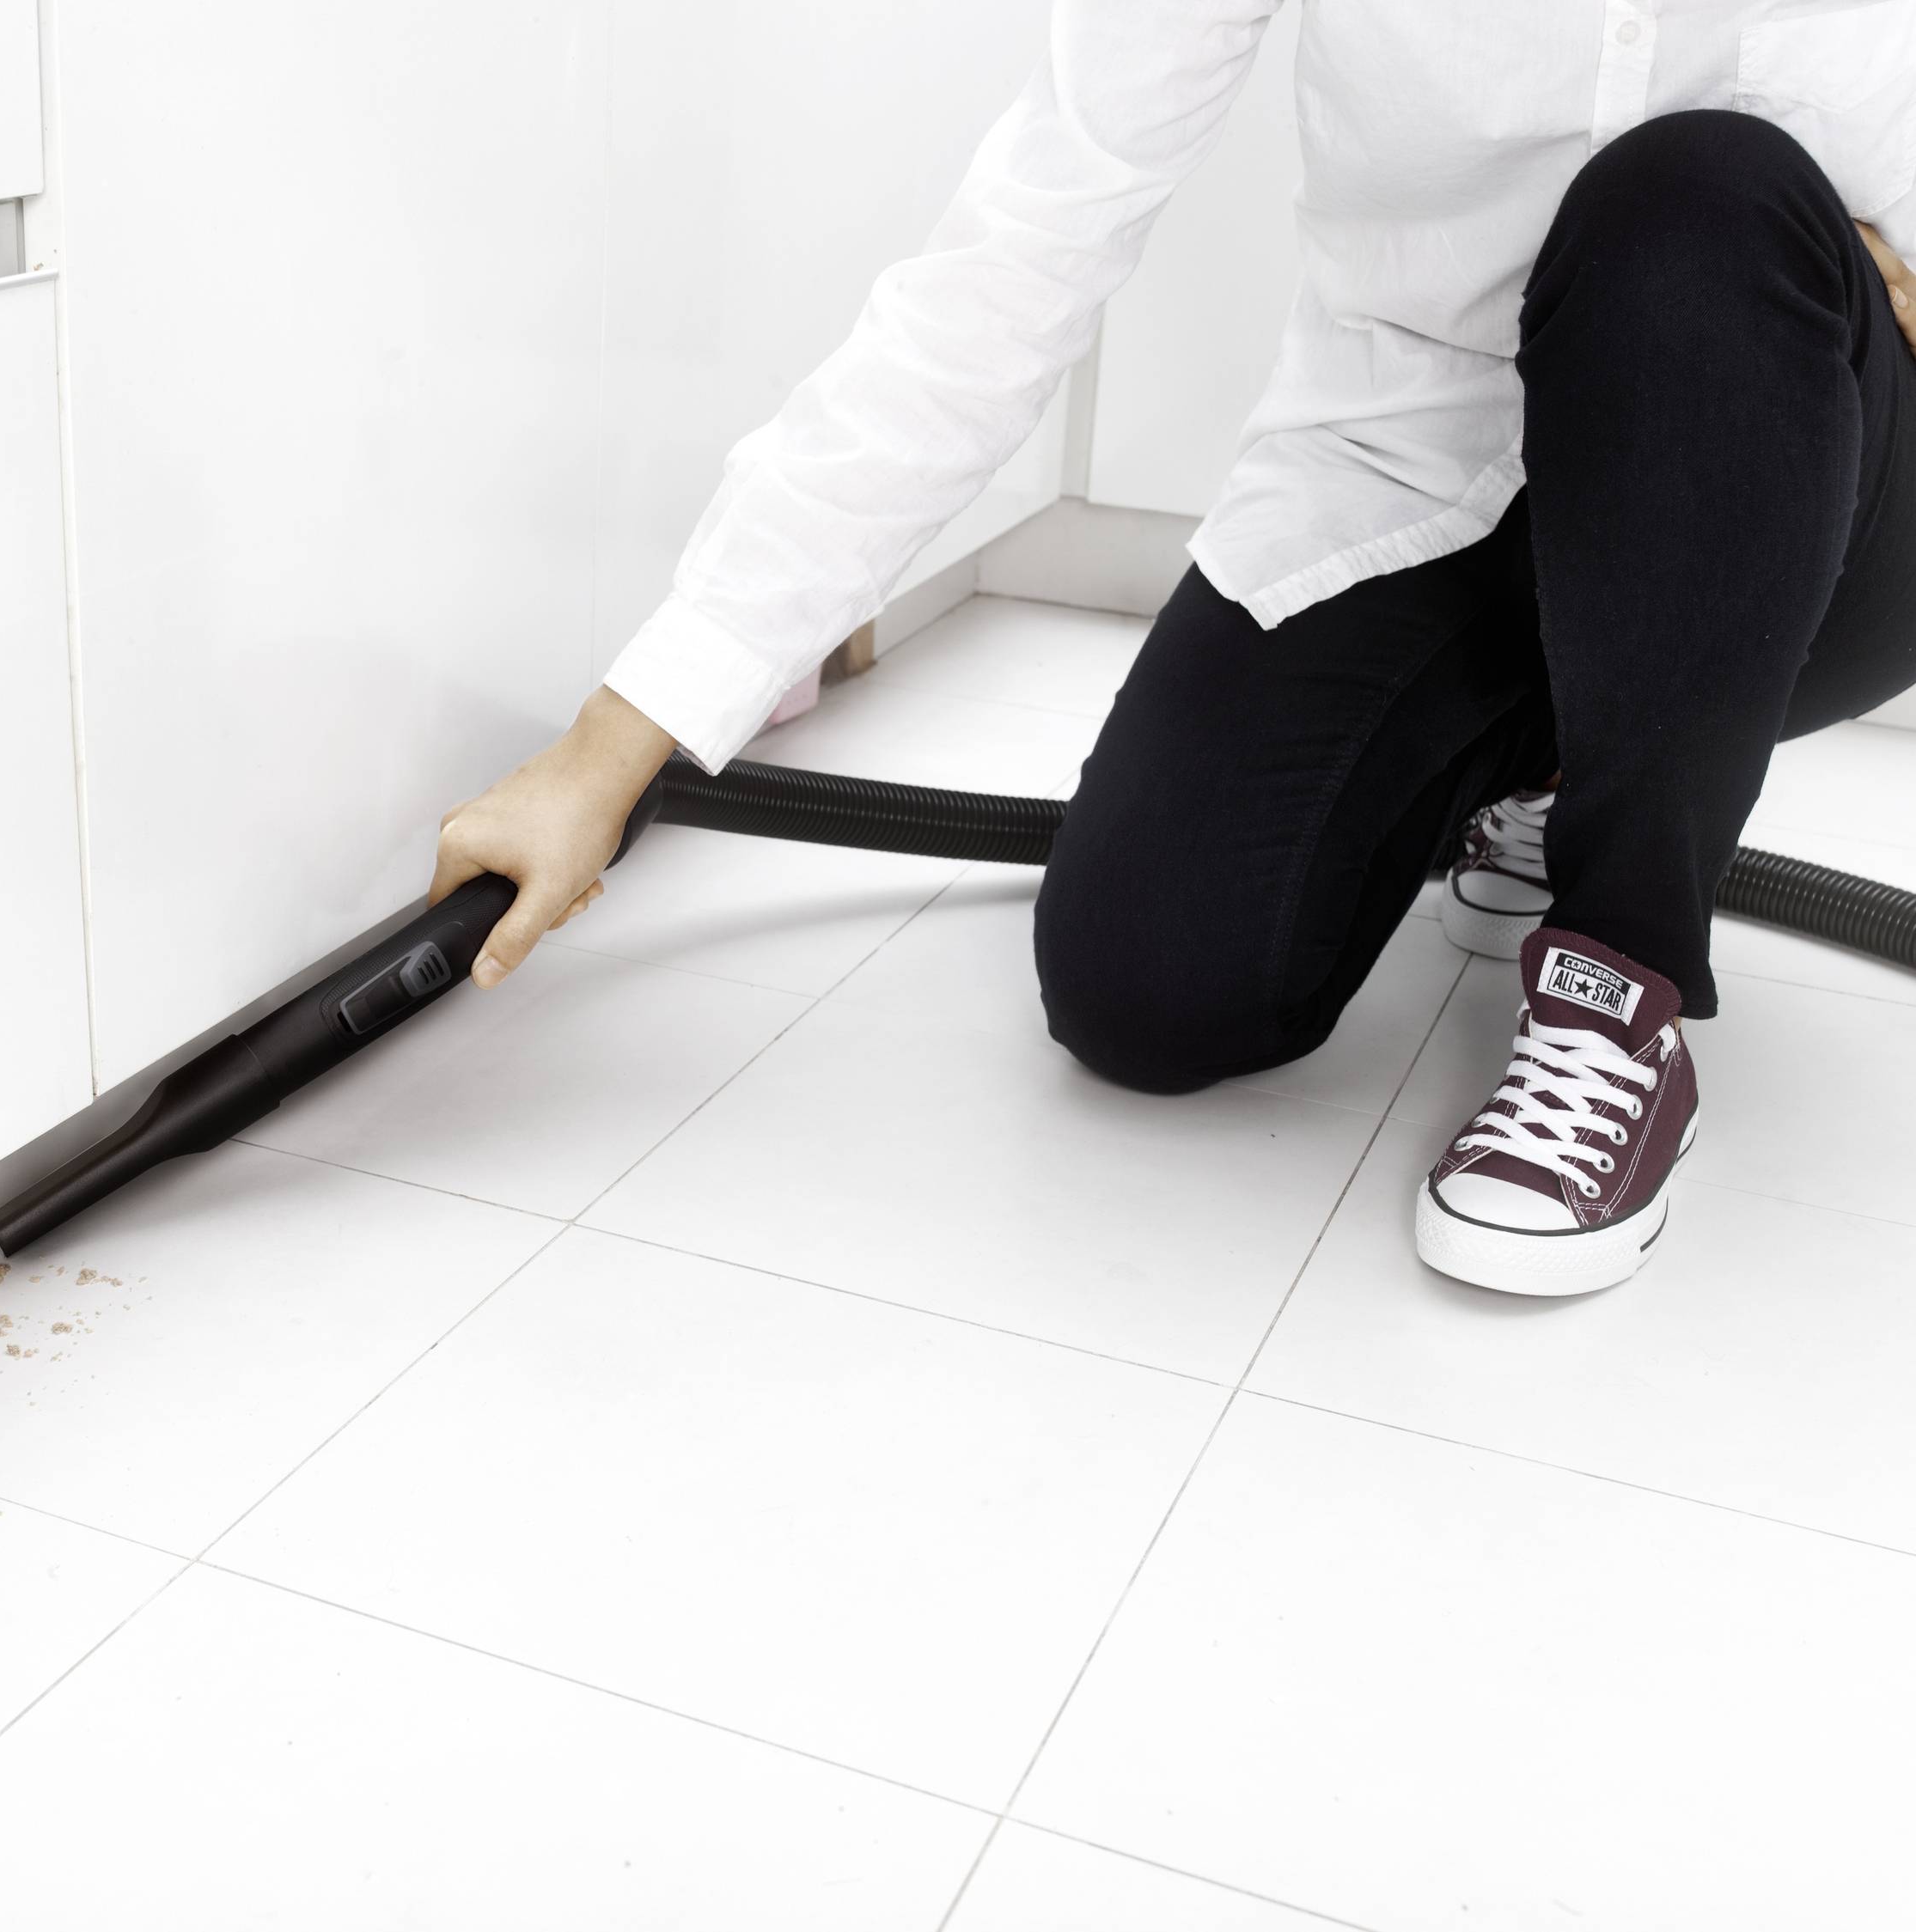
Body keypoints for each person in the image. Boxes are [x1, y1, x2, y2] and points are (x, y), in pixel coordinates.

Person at [429, 3, 1916, 1297]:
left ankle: (1619, 978)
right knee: (1145, 983)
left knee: (1697, 195)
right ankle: (1567, 754)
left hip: (1811, 489)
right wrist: (615, 743)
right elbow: (1016, 258)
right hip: (1420, 472)